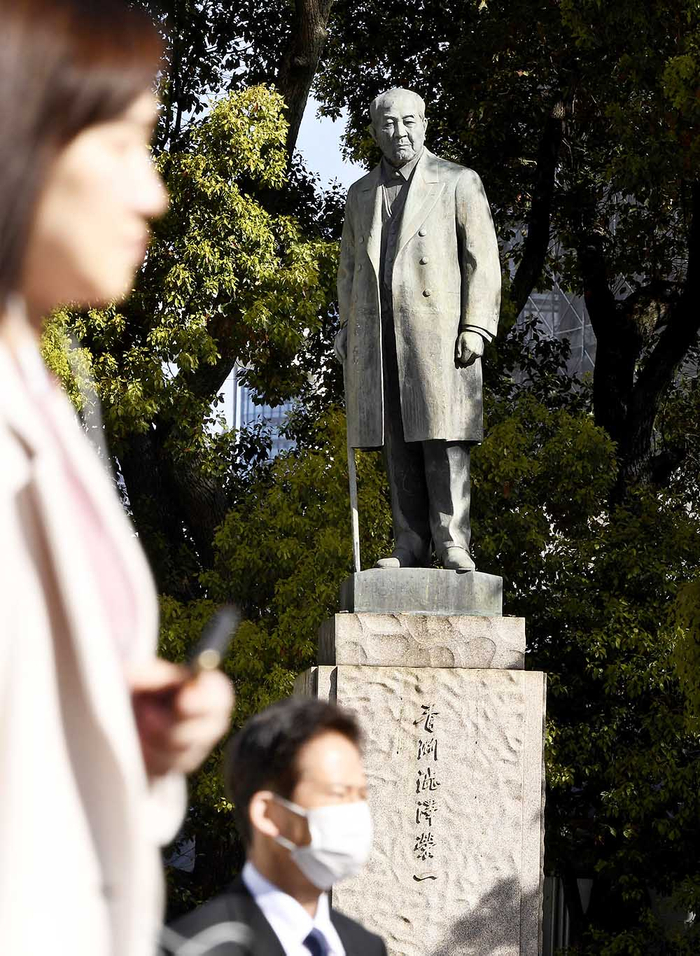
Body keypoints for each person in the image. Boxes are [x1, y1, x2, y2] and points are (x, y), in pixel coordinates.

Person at [0, 2, 234, 954]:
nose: (155, 195)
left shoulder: (45, 393)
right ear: (21, 136)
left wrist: (131, 726)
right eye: (127, 144)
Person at [336, 88, 502, 572]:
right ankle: (408, 543)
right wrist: (346, 325)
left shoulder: (457, 181)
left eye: (409, 122)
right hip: (380, 333)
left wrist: (476, 325)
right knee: (398, 440)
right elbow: (349, 267)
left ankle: (452, 541)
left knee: (443, 438)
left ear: (425, 125)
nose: (400, 132)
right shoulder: (361, 194)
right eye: (388, 124)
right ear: (374, 132)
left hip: (439, 333)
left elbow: (482, 260)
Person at [166, 698, 387, 956]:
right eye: (339, 793)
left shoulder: (366, 946)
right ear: (268, 814)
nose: (355, 811)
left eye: (361, 795)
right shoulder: (194, 948)